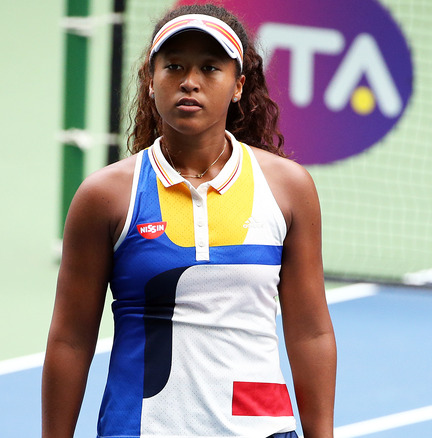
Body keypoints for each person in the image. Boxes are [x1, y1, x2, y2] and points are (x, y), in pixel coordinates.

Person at [42, 4, 336, 438]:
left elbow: (310, 332)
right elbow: (70, 339)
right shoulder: (105, 196)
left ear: (238, 86)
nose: (189, 82)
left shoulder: (288, 188)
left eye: (210, 68)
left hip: (260, 428)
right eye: (174, 66)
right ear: (150, 80)